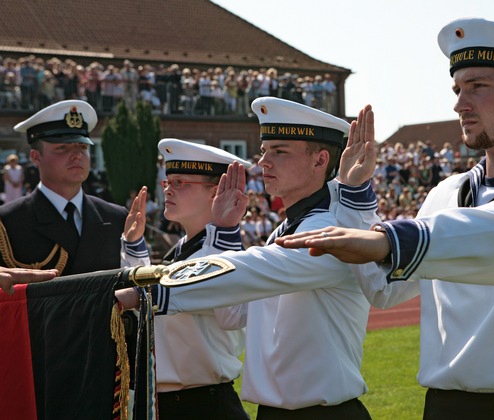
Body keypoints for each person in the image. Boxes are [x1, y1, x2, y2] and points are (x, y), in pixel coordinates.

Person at [276, 17, 494, 419]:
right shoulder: (446, 194)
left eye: (478, 87)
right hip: (443, 407)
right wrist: (355, 199)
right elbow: (384, 290)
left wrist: (395, 240)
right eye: (458, 89)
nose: (460, 103)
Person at [117, 97, 373, 419]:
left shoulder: (326, 231)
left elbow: (244, 273)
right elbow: (232, 314)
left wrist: (142, 294)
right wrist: (223, 232)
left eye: (279, 151)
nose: (263, 161)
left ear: (320, 160)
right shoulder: (285, 229)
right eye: (264, 150)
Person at [121, 138, 250, 419]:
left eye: (180, 183)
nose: (167, 190)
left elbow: (229, 313)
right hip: (166, 403)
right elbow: (154, 303)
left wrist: (225, 232)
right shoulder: (181, 250)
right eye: (168, 182)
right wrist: (134, 248)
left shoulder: (223, 252)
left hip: (206, 405)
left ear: (215, 192)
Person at [0, 99, 128, 275]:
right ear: (36, 157)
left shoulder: (115, 217)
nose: (77, 155)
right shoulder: (8, 222)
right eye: (62, 148)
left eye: (83, 146)